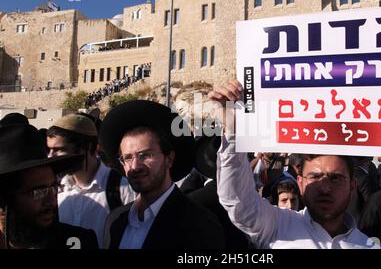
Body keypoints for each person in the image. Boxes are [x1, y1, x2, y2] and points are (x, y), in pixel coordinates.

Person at [208, 80, 379, 249]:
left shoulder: (368, 246)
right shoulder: (277, 226)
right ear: (300, 182)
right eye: (315, 177)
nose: (325, 188)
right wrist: (233, 131)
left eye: (336, 178)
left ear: (352, 185)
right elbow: (239, 202)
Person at [100, 100, 225, 249]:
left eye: (145, 155)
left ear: (169, 158)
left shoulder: (199, 223)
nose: (135, 166)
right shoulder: (115, 221)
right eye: (127, 158)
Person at [0, 124, 98, 249]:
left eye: (54, 188)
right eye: (38, 192)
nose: (52, 201)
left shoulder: (78, 243)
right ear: (4, 200)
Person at [47, 114, 136, 247]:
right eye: (49, 150)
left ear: (86, 147)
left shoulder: (121, 187)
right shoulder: (57, 189)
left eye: (58, 150)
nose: (50, 157)